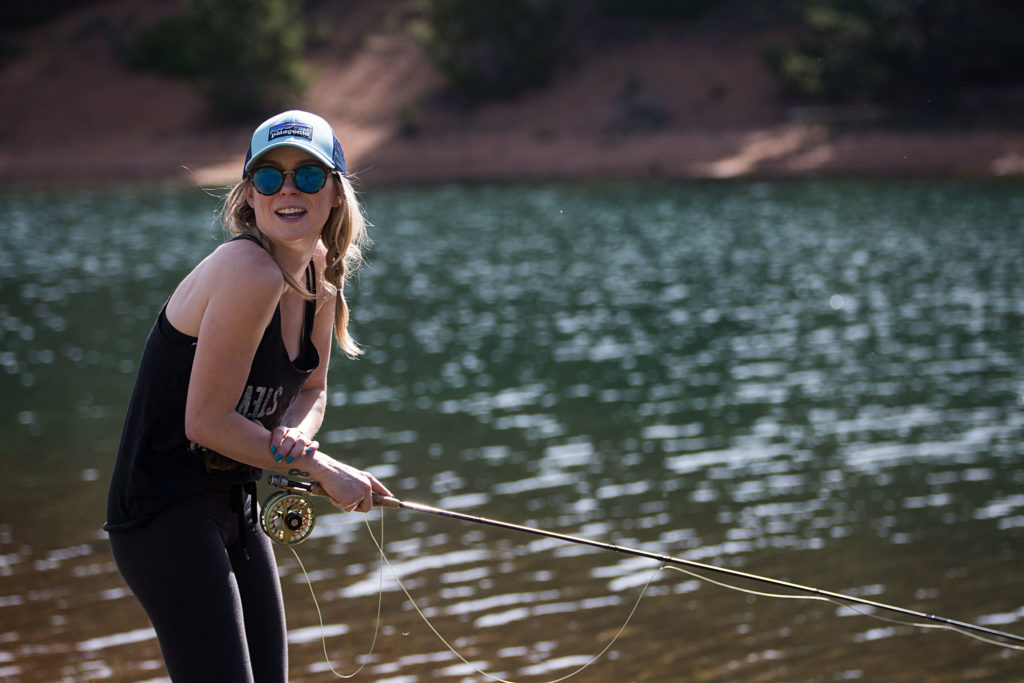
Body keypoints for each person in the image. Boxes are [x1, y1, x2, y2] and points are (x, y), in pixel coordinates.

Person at [104, 110, 391, 682]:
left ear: (335, 192)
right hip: (163, 511)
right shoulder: (246, 270)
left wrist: (294, 436)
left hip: (234, 501)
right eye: (270, 176)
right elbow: (205, 422)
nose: (288, 189)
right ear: (249, 195)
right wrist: (320, 466)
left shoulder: (319, 280)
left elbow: (313, 388)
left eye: (308, 175)